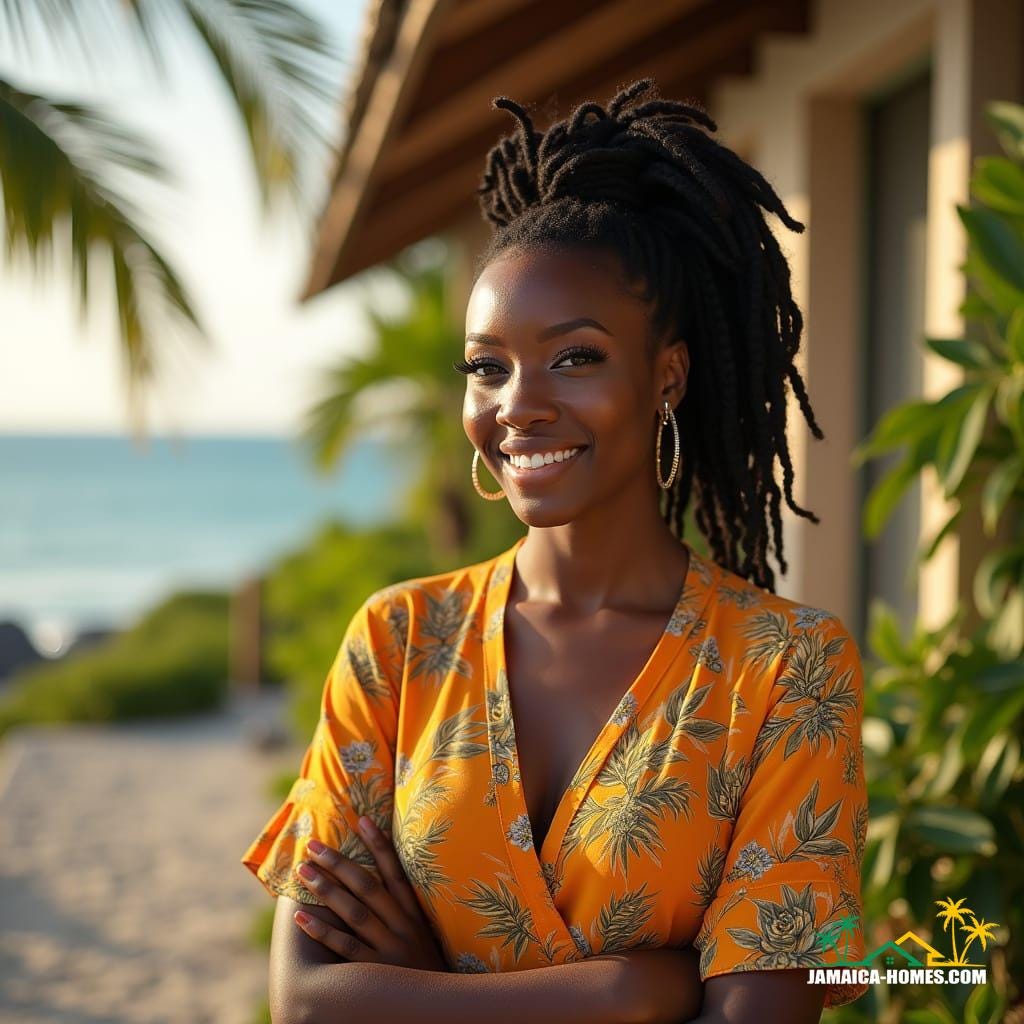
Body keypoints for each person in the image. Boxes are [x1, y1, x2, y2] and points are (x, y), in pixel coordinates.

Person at [241, 78, 870, 1024]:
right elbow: (306, 1002)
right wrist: (633, 988)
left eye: (574, 356)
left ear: (668, 374)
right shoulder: (399, 642)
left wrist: (432, 991)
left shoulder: (782, 671)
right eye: (488, 366)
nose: (518, 403)